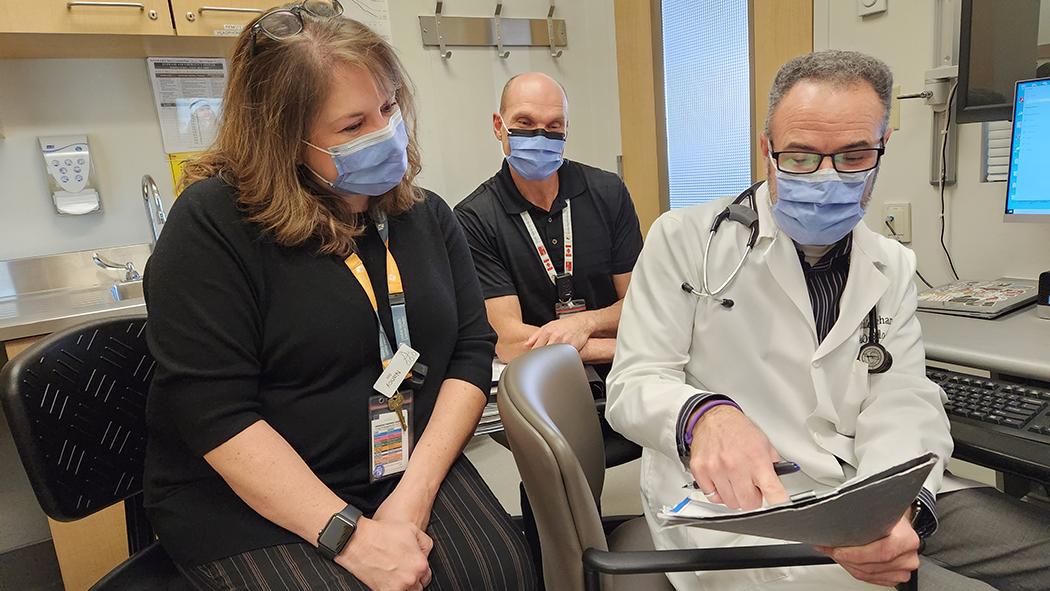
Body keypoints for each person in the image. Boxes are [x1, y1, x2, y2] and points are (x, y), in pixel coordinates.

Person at [606, 50, 1050, 591]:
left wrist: (895, 506)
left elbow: (903, 397)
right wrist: (704, 415)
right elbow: (633, 384)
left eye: (853, 156)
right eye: (799, 157)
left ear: (882, 149)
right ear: (766, 151)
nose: (824, 176)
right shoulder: (684, 240)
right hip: (751, 507)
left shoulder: (890, 264)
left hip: (868, 485)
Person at [142, 3, 536, 591]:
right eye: (352, 128)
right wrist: (347, 537)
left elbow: (470, 352)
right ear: (282, 138)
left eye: (388, 108)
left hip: (397, 468)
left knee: (502, 573)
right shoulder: (212, 226)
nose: (384, 134)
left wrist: (413, 498)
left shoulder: (425, 215)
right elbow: (214, 414)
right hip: (248, 503)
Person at [454, 72, 644, 581]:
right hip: (547, 387)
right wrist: (600, 341)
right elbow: (510, 340)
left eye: (554, 127)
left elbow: (643, 307)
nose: (540, 137)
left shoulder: (604, 191)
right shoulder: (475, 218)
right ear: (499, 127)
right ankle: (563, 564)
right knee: (560, 476)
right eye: (525, 124)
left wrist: (581, 325)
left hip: (618, 366)